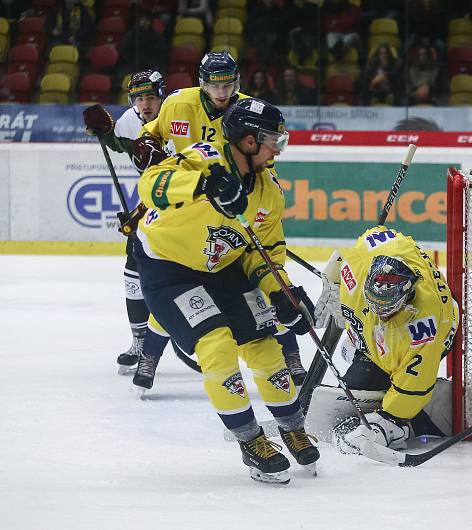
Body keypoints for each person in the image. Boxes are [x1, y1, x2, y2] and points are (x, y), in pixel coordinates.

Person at [134, 98, 320, 483]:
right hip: (169, 268)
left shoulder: (269, 192)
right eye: (272, 139)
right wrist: (203, 184)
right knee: (216, 345)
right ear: (248, 141)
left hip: (223, 267)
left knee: (266, 344)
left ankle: (291, 424)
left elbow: (264, 253)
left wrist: (282, 293)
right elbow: (150, 185)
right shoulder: (203, 158)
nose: (278, 148)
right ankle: (251, 441)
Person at [138, 51, 307, 388]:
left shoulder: (248, 111)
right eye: (214, 85)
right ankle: (150, 354)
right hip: (184, 202)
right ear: (202, 83)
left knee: (259, 285)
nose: (221, 92)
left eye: (228, 84)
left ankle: (290, 355)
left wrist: (253, 196)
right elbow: (153, 136)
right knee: (173, 281)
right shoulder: (177, 103)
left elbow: (264, 160)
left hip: (231, 205)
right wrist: (147, 146)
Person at [313, 226, 459, 455]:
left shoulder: (423, 325)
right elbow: (368, 240)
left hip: (442, 330)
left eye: (388, 309)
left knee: (366, 385)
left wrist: (390, 420)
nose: (381, 314)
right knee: (357, 383)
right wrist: (332, 282)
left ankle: (417, 422)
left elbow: (414, 385)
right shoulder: (362, 262)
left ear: (407, 294)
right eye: (375, 305)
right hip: (385, 316)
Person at [82, 70, 173, 378]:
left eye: (150, 97)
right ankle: (140, 340)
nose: (145, 104)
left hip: (193, 206)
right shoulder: (129, 122)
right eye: (139, 98)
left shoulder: (182, 116)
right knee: (133, 270)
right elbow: (120, 144)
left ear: (162, 96)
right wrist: (105, 133)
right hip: (153, 206)